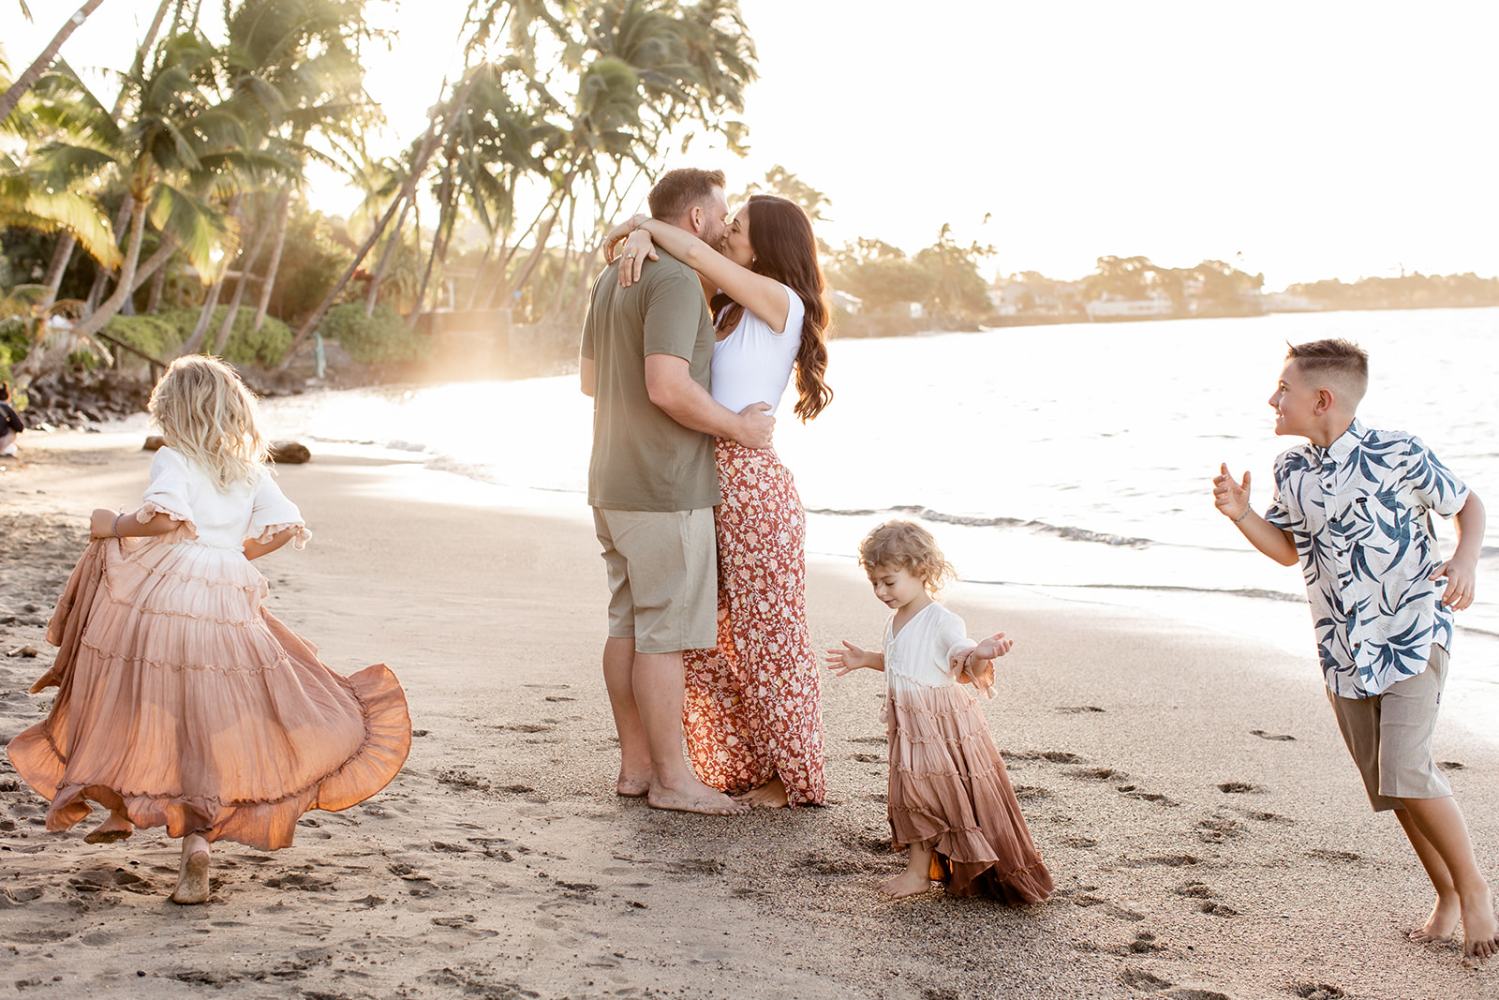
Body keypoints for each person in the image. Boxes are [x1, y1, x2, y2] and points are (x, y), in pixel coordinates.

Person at [7, 356, 411, 905]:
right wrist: (233, 551)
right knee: (208, 723)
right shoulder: (248, 469)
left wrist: (113, 525)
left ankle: (120, 803)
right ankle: (195, 846)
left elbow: (165, 520)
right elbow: (284, 527)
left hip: (164, 596)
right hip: (227, 601)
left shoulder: (174, 457)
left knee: (132, 699)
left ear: (173, 412)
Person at [1213, 338, 1495, 963]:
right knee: (1390, 784)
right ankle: (1445, 893)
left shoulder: (1400, 451)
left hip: (1414, 631)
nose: (1272, 399)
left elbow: (1468, 503)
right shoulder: (1290, 469)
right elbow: (1289, 548)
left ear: (1322, 399)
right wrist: (1241, 514)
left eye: (1282, 389)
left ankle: (1476, 891)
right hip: (1341, 646)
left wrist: (1466, 560)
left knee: (1408, 766)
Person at [602, 193, 833, 808]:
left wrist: (646, 227)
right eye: (728, 221)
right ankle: (742, 762)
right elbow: (660, 264)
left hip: (753, 486)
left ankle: (791, 774)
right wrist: (641, 239)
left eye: (741, 226)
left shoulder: (783, 302)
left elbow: (696, 248)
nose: (728, 230)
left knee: (773, 634)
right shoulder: (725, 306)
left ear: (767, 245)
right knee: (713, 637)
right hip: (705, 478)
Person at [579, 168, 773, 816]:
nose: (725, 225)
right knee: (661, 637)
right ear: (696, 220)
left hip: (611, 481)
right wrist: (739, 428)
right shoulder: (676, 283)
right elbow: (666, 386)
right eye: (721, 215)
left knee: (628, 626)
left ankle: (635, 769)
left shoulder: (613, 277)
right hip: (664, 487)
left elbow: (589, 381)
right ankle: (672, 780)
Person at [826, 520, 1053, 902]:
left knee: (922, 795)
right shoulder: (895, 619)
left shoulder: (943, 620)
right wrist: (867, 659)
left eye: (889, 581)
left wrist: (978, 655)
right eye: (875, 583)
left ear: (921, 571)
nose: (881, 591)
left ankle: (918, 874)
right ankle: (923, 867)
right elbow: (906, 661)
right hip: (909, 725)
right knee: (917, 793)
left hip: (937, 727)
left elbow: (958, 658)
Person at [0, 381, 23, 457]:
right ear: (8, 397)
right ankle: (2, 450)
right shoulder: (6, 408)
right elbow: (19, 427)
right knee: (12, 430)